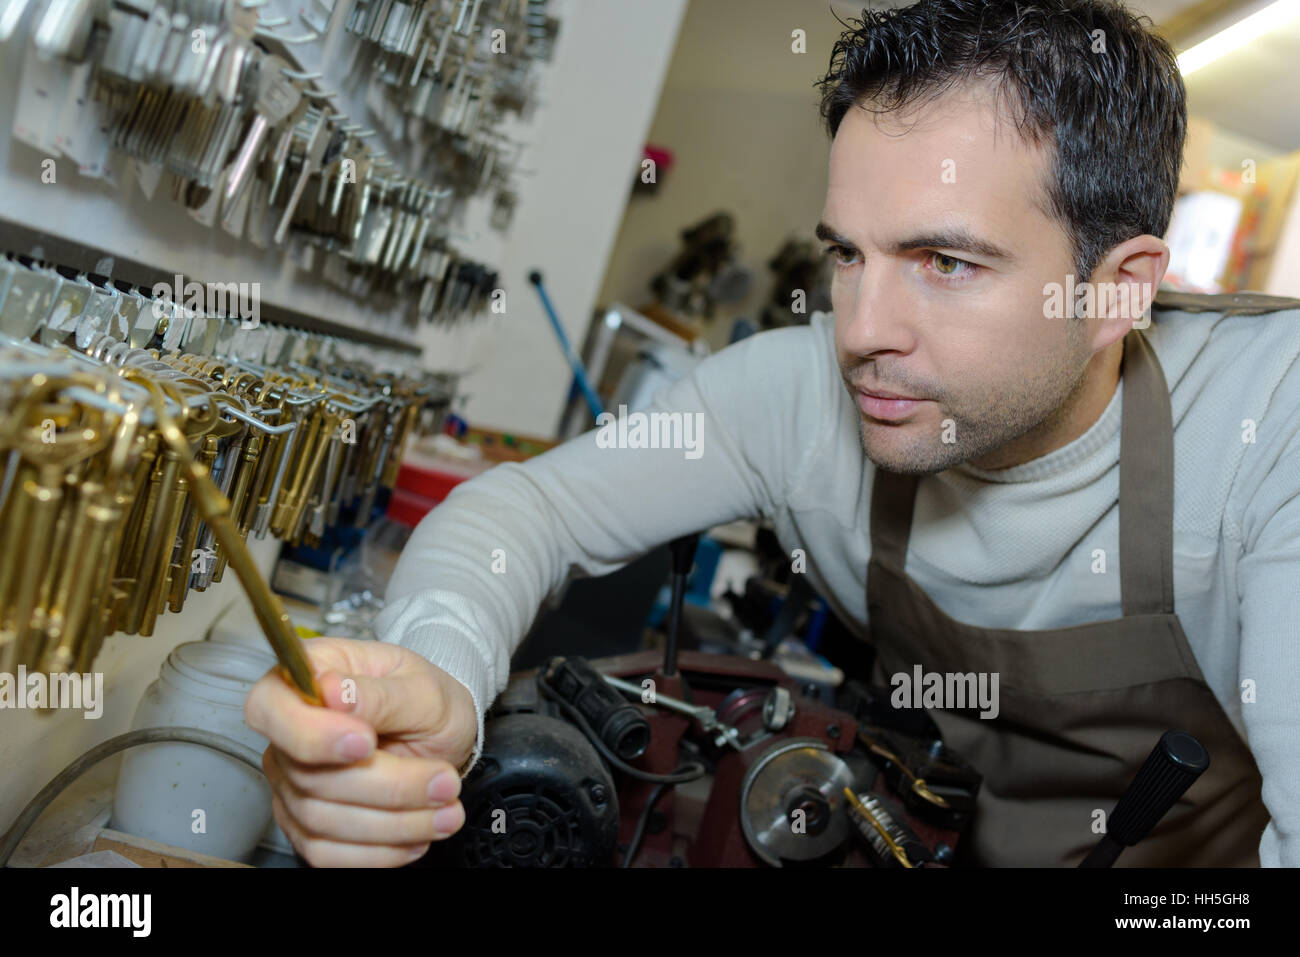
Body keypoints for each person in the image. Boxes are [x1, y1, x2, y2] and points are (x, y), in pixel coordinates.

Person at [245, 0, 1300, 867]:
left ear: (1117, 292)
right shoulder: (799, 398)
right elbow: (524, 508)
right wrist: (441, 687)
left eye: (947, 263)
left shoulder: (1268, 429)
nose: (862, 332)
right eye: (848, 254)